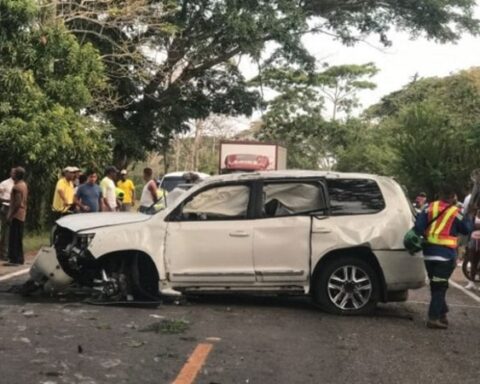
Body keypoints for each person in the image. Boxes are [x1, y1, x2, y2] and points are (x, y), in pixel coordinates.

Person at [414, 187, 473, 329]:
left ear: (440, 196)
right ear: (453, 197)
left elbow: (418, 227)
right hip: (445, 257)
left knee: (436, 285)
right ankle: (433, 318)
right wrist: (469, 217)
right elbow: (466, 229)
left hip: (428, 254)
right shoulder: (456, 212)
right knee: (439, 287)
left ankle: (442, 312)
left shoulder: (429, 208)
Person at [4, 167, 28, 266]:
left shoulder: (17, 187)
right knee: (18, 237)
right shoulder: (23, 185)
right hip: (22, 213)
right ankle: (19, 258)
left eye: (14, 173)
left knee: (13, 237)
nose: (12, 175)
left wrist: (10, 215)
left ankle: (14, 259)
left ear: (16, 175)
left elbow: (17, 202)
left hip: (17, 215)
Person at [0, 168, 14, 260]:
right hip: (6, 207)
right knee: (6, 231)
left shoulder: (18, 183)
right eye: (13, 172)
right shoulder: (5, 183)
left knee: (13, 231)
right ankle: (3, 254)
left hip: (15, 208)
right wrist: (9, 200)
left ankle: (10, 252)